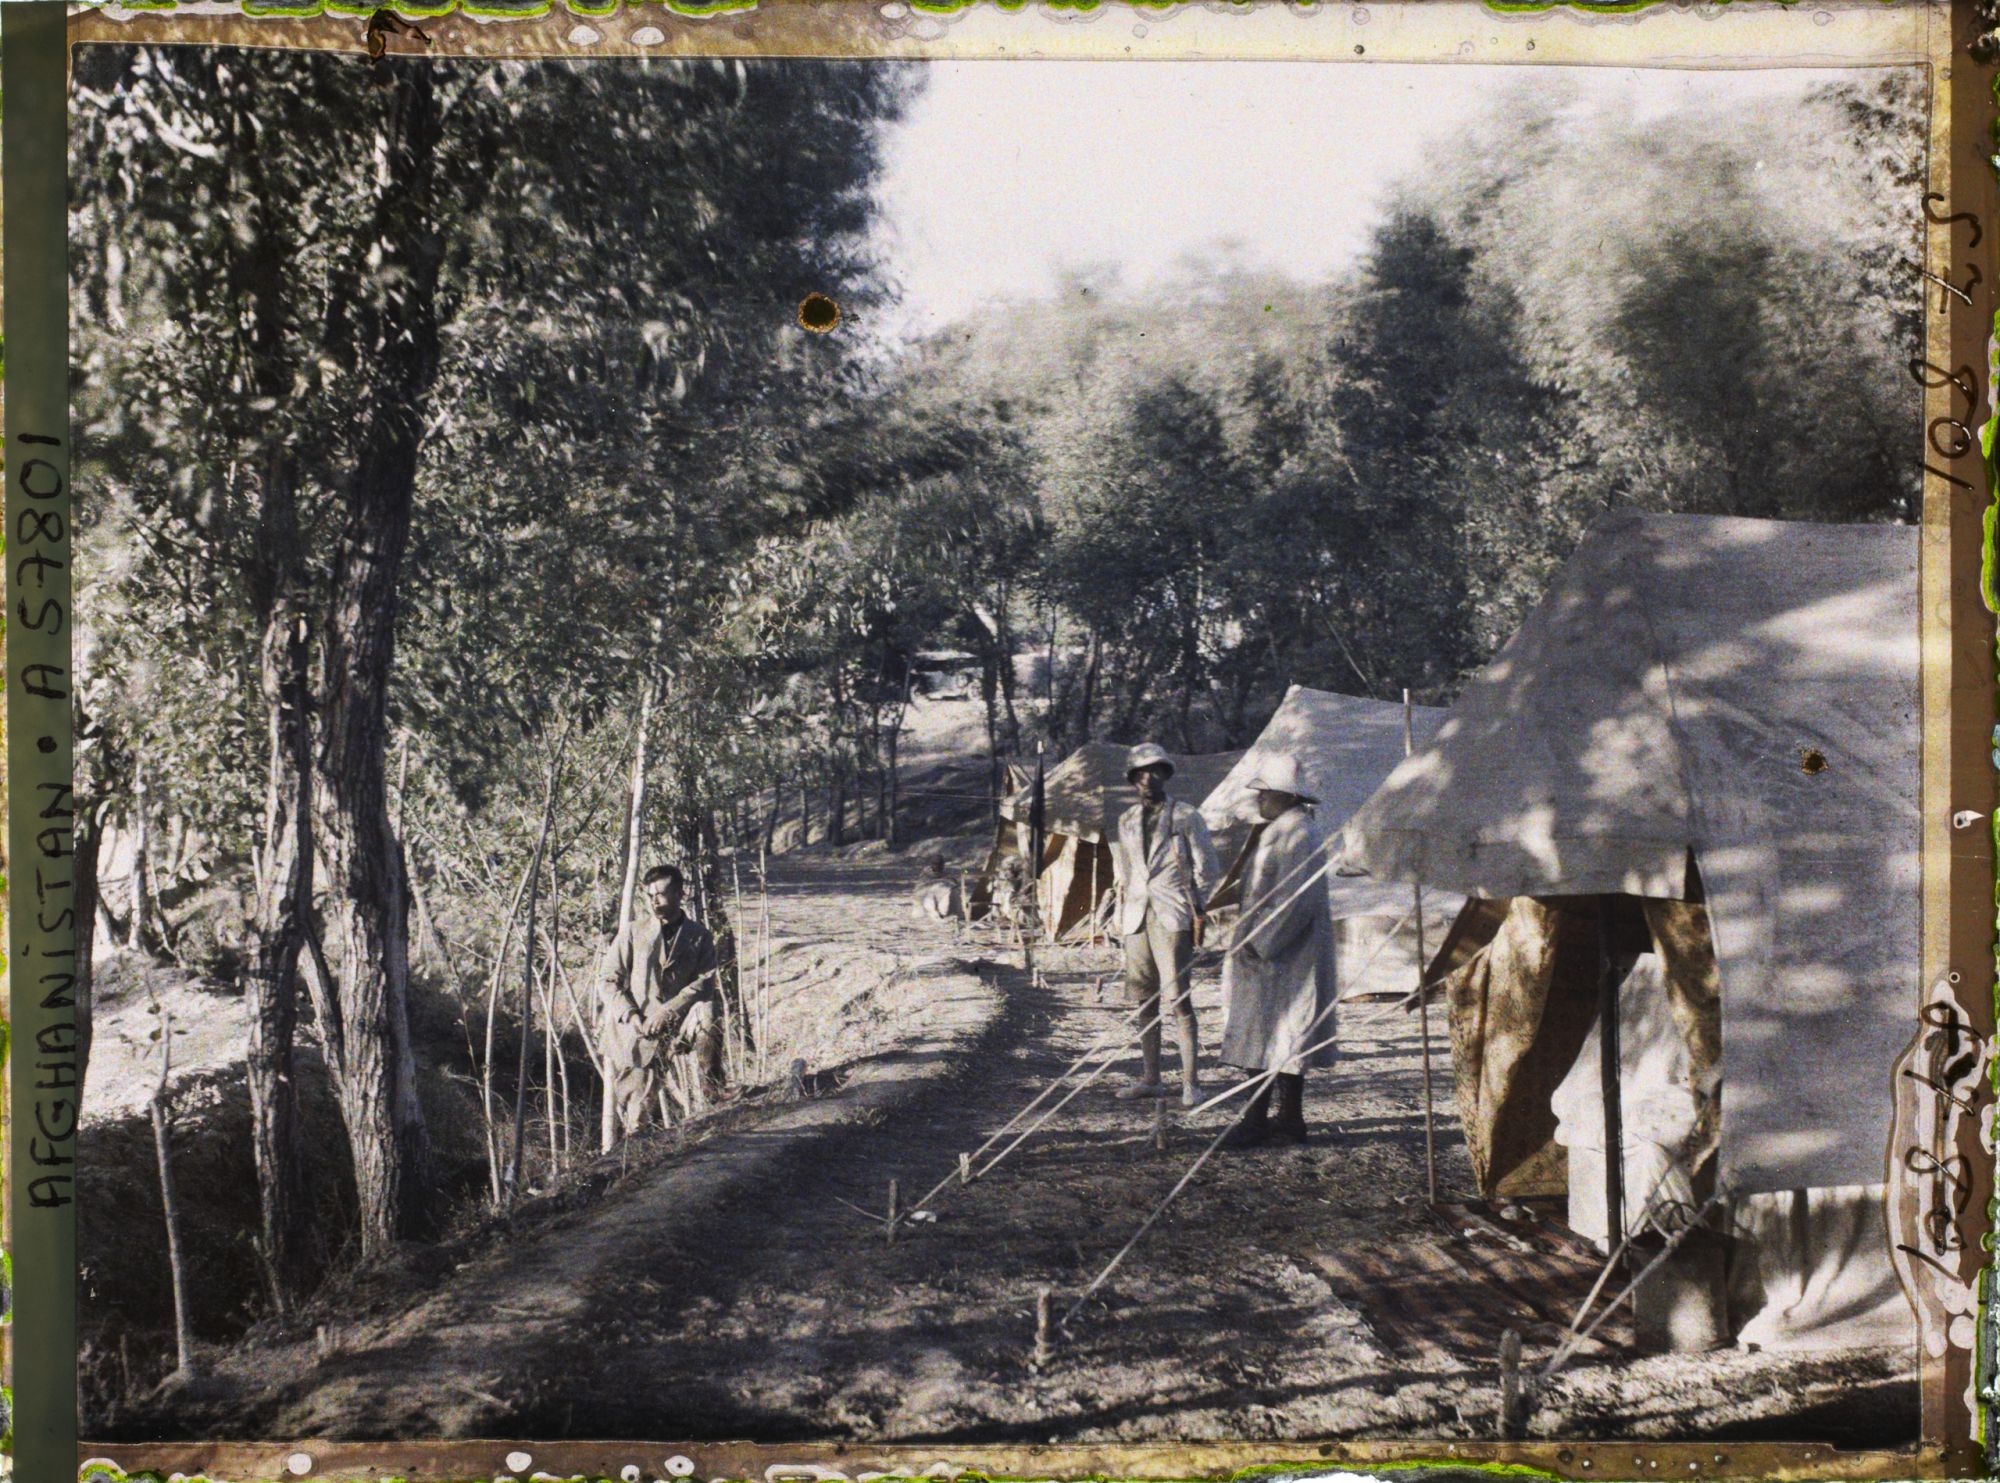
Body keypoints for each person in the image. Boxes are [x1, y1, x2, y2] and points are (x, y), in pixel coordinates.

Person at [1219, 755, 1337, 1148]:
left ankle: (1264, 1120)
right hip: (1272, 951)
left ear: (1287, 795)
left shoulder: (1299, 834)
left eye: (1266, 792)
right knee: (1275, 1036)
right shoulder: (1283, 830)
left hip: (1283, 952)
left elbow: (1295, 899)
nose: (1260, 799)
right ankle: (1285, 1118)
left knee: (1275, 1037)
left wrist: (1261, 943)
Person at [1110, 742, 1219, 1107]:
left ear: (1166, 774)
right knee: (1144, 1000)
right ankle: (1151, 1077)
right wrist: (1120, 915)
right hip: (1136, 916)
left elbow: (1208, 868)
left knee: (1179, 1000)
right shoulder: (1126, 820)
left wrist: (1194, 907)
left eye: (1155, 771)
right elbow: (1127, 873)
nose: (1148, 778)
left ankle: (1191, 1083)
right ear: (1132, 779)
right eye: (1141, 773)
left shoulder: (1185, 815)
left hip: (1173, 916)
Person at [599, 862, 723, 1142]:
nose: (654, 901)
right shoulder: (633, 932)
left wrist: (668, 1011)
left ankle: (714, 1093)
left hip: (679, 1022)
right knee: (638, 1109)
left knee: (707, 1011)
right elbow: (607, 980)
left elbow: (705, 981)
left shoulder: (699, 935)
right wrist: (631, 1015)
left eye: (661, 894)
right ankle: (636, 1144)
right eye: (650, 895)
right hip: (638, 1026)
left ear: (680, 893)